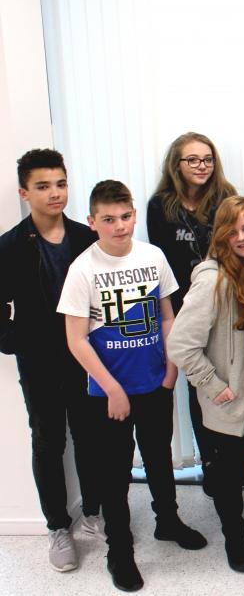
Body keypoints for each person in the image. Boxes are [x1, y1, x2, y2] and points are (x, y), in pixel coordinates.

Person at [58, 180, 207, 592]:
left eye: (125, 217)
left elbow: (168, 316)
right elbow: (75, 339)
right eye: (108, 219)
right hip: (108, 393)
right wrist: (112, 389)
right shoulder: (82, 269)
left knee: (159, 456)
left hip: (154, 381)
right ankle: (118, 551)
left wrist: (172, 369)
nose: (119, 226)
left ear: (133, 215)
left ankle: (168, 521)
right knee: (114, 473)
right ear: (92, 222)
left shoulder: (153, 255)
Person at [167, 196, 244, 573]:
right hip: (230, 397)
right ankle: (235, 538)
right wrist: (213, 385)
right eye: (232, 231)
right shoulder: (213, 278)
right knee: (229, 476)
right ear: (220, 235)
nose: (242, 237)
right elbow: (181, 344)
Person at [0, 149, 103, 572]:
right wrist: (15, 341)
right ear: (26, 193)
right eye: (43, 186)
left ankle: (95, 513)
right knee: (47, 441)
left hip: (88, 357)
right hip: (39, 361)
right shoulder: (9, 245)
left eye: (60, 183)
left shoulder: (85, 237)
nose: (55, 193)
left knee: (90, 435)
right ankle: (58, 527)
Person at [147, 132, 237, 493]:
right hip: (187, 308)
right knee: (198, 385)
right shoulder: (160, 206)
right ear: (177, 165)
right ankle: (209, 461)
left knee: (230, 381)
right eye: (193, 160)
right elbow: (162, 264)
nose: (202, 166)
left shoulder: (226, 197)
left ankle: (234, 459)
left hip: (227, 303)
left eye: (207, 159)